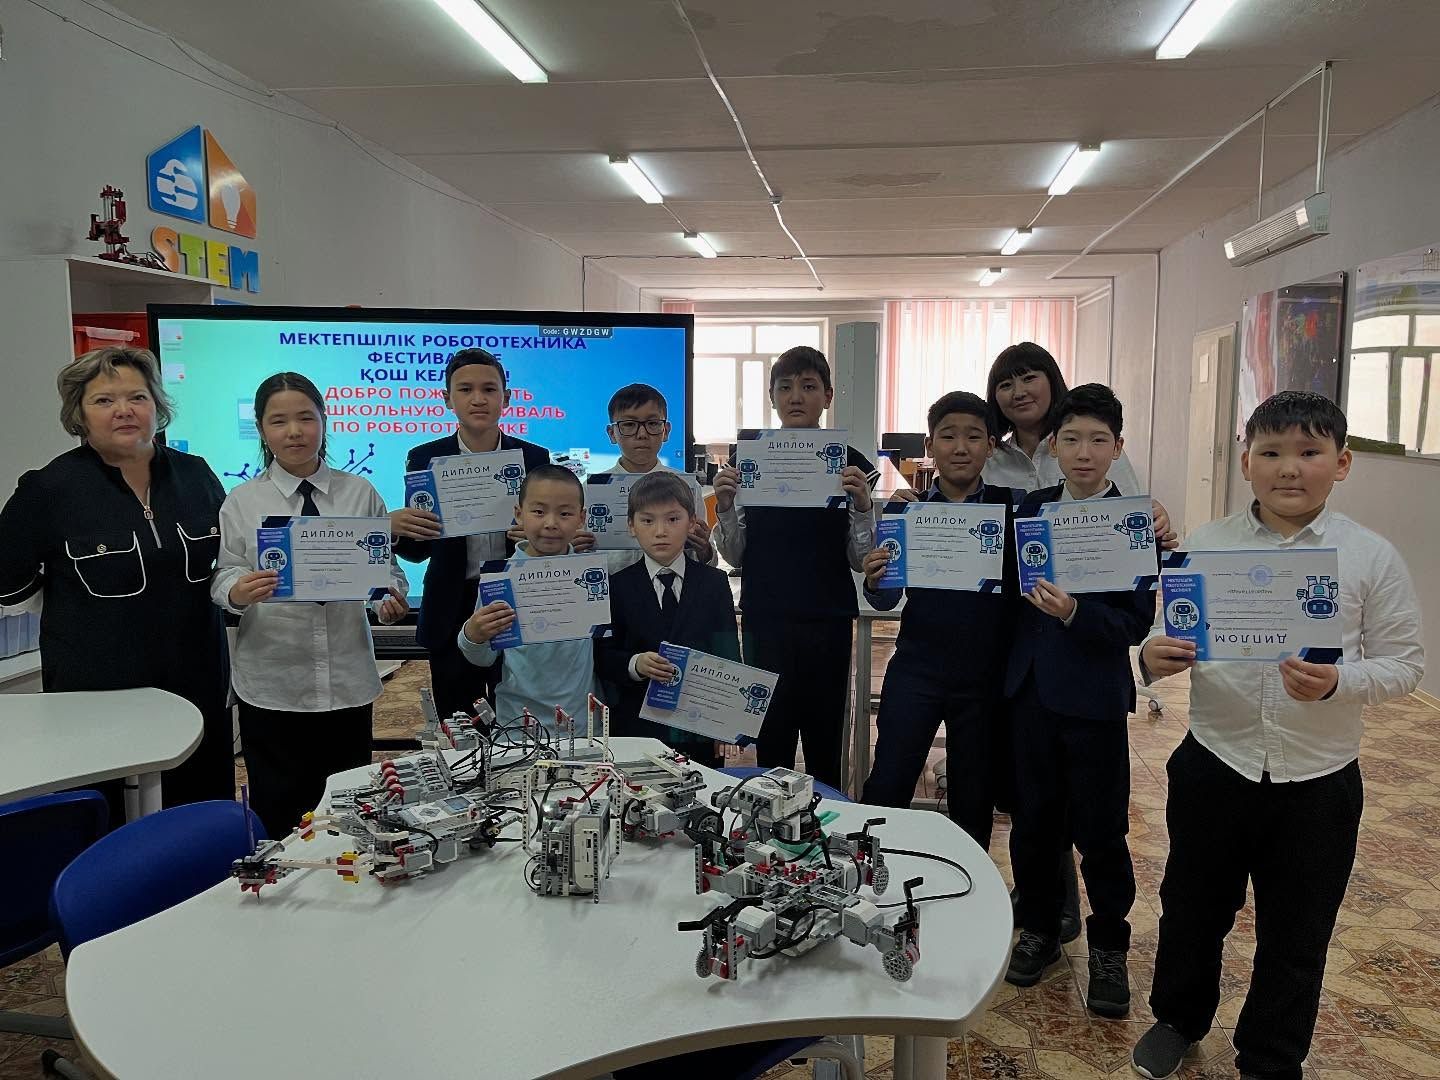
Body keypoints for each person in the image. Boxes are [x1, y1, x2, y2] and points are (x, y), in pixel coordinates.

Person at [1131, 392, 1424, 1080]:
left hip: (1319, 779)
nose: (1289, 468)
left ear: (1342, 463)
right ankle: (1178, 1018)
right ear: (1246, 463)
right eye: (1270, 452)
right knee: (1192, 908)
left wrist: (1339, 681)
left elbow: (1405, 665)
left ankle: (1271, 1054)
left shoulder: (1369, 556)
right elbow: (1165, 631)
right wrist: (1151, 657)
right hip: (1215, 761)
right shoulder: (1208, 546)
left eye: (1309, 452)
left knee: (1299, 928)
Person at [0, 346, 233, 812]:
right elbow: (7, 579)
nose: (124, 410)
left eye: (137, 397)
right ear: (79, 415)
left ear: (157, 406)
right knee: (108, 822)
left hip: (196, 687)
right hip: (97, 701)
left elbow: (229, 560)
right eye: (104, 400)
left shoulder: (196, 475)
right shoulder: (49, 488)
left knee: (199, 815)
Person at [1003, 384, 1155, 1019]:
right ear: (1054, 447)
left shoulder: (1133, 521)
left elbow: (1135, 622)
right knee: (1034, 823)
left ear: (1118, 448)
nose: (1084, 453)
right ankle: (1039, 927)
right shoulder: (1031, 511)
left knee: (1101, 831)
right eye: (1071, 440)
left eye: (1098, 440)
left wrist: (1074, 612)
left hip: (1094, 700)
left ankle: (1109, 947)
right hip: (1031, 694)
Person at [211, 373, 409, 838]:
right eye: (278, 421)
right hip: (273, 683)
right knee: (280, 814)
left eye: (305, 418)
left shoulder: (359, 493)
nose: (294, 431)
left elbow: (386, 572)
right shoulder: (242, 501)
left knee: (348, 811)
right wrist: (239, 590)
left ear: (324, 420)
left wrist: (388, 599)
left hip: (347, 680)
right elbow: (224, 573)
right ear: (262, 429)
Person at [713, 346, 877, 787]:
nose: (796, 396)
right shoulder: (749, 460)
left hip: (828, 619)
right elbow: (734, 556)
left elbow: (859, 559)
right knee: (772, 738)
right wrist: (724, 505)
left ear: (827, 395)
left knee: (825, 740)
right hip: (766, 618)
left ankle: (829, 824)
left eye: (808, 386)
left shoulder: (851, 464)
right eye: (785, 387)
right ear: (772, 398)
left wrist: (864, 506)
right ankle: (773, 823)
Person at [859, 391, 1015, 848]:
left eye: (973, 437)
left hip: (984, 678)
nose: (960, 447)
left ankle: (966, 882)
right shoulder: (906, 511)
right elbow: (886, 599)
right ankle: (875, 874)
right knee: (888, 783)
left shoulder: (1013, 510)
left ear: (991, 445)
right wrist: (875, 579)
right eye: (948, 436)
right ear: (930, 445)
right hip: (917, 668)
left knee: (973, 798)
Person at [392, 349, 552, 720]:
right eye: (465, 389)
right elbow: (417, 551)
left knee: (520, 720)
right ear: (447, 399)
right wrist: (398, 530)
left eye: (489, 389)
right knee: (460, 727)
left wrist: (534, 534)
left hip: (517, 602)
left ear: (506, 398)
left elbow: (549, 537)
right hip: (450, 607)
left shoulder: (533, 458)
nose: (478, 399)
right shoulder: (425, 458)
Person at [596, 471, 741, 768]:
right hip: (637, 727)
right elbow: (602, 656)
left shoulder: (714, 583)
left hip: (699, 728)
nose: (660, 531)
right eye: (648, 521)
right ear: (631, 526)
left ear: (692, 522)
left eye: (673, 519)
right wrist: (635, 664)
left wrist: (726, 722)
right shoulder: (616, 587)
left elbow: (727, 654)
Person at [456, 463, 600, 727]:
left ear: (581, 518)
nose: (551, 523)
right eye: (538, 512)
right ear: (519, 514)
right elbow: (483, 657)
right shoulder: (501, 579)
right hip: (517, 723)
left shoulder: (592, 576)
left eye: (565, 513)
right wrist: (472, 635)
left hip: (582, 722)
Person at [598, 383, 714, 578]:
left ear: (666, 430)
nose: (642, 434)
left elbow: (705, 560)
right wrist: (573, 549)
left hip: (674, 591)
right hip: (611, 591)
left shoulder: (687, 487)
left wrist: (704, 549)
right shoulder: (591, 490)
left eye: (652, 423)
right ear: (612, 434)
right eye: (629, 424)